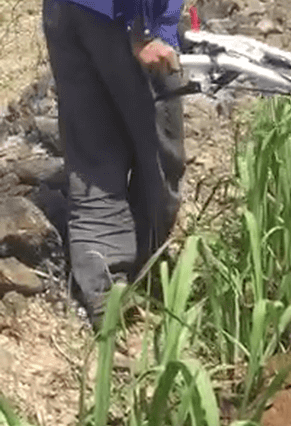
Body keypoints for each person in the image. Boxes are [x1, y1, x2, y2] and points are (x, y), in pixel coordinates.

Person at [42, 0, 186, 328]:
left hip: (68, 10)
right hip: (122, 18)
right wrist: (146, 29)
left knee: (93, 158)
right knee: (158, 156)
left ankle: (105, 290)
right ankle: (140, 272)